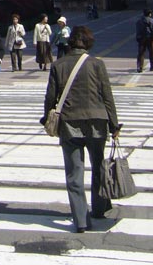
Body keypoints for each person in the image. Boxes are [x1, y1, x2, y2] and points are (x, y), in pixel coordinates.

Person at [42, 25, 120, 233]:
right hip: (97, 122)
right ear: (88, 43)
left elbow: (50, 97)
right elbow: (107, 96)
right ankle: (100, 207)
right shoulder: (97, 64)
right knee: (99, 167)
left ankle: (81, 220)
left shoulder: (58, 65)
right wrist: (114, 125)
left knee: (74, 173)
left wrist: (45, 119)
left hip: (70, 123)